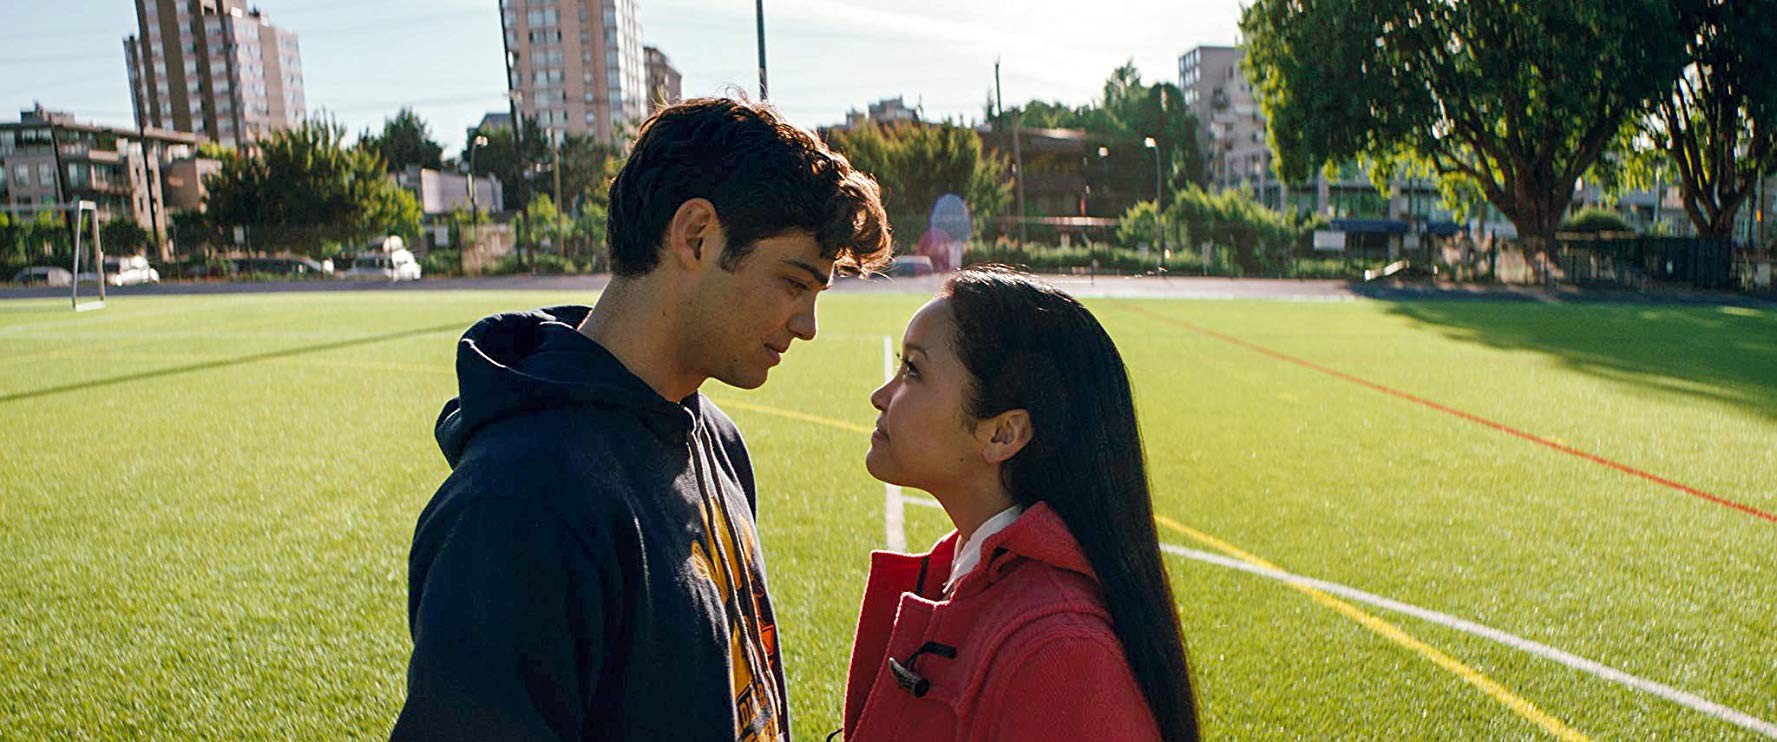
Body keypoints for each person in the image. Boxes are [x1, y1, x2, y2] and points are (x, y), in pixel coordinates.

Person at [393, 97, 891, 741]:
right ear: (695, 235)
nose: (807, 325)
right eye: (795, 283)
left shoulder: (714, 437)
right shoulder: (516, 506)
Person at [841, 266, 1201, 741]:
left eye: (913, 370)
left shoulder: (1060, 654)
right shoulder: (968, 576)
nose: (881, 396)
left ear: (1002, 433)